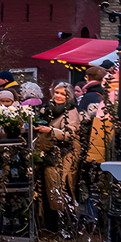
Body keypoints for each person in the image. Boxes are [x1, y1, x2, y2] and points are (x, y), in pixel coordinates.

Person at [35, 83, 81, 231]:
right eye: (57, 92)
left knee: (62, 189)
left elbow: (70, 134)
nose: (59, 96)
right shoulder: (48, 109)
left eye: (63, 94)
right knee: (49, 190)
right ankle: (51, 227)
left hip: (64, 156)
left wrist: (50, 130)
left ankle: (66, 227)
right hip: (49, 155)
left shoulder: (71, 111)